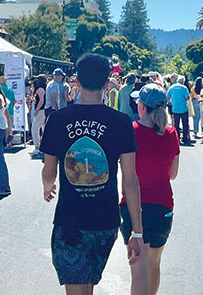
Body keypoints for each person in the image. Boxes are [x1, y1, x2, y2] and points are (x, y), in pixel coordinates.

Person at [40, 53, 142, 293]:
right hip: (105, 223)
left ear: (76, 81)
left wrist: (47, 186)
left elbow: (49, 171)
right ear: (107, 83)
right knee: (86, 287)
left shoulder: (57, 120)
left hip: (70, 222)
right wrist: (137, 231)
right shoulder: (121, 122)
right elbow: (130, 179)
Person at [122, 83, 180, 295]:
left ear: (142, 107)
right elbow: (172, 174)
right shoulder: (171, 133)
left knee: (138, 268)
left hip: (134, 206)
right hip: (162, 207)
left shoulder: (131, 131)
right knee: (154, 264)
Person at [166, 75, 190, 144]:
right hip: (183, 108)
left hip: (175, 108)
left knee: (176, 124)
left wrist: (172, 101)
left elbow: (167, 97)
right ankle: (185, 137)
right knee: (185, 123)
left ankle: (177, 137)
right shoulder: (184, 88)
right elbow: (187, 98)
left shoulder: (172, 88)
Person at [30, 75, 48, 159]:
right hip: (44, 109)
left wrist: (36, 110)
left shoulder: (40, 89)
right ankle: (43, 146)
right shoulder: (45, 87)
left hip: (40, 110)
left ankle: (37, 146)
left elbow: (41, 101)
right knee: (43, 127)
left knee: (34, 128)